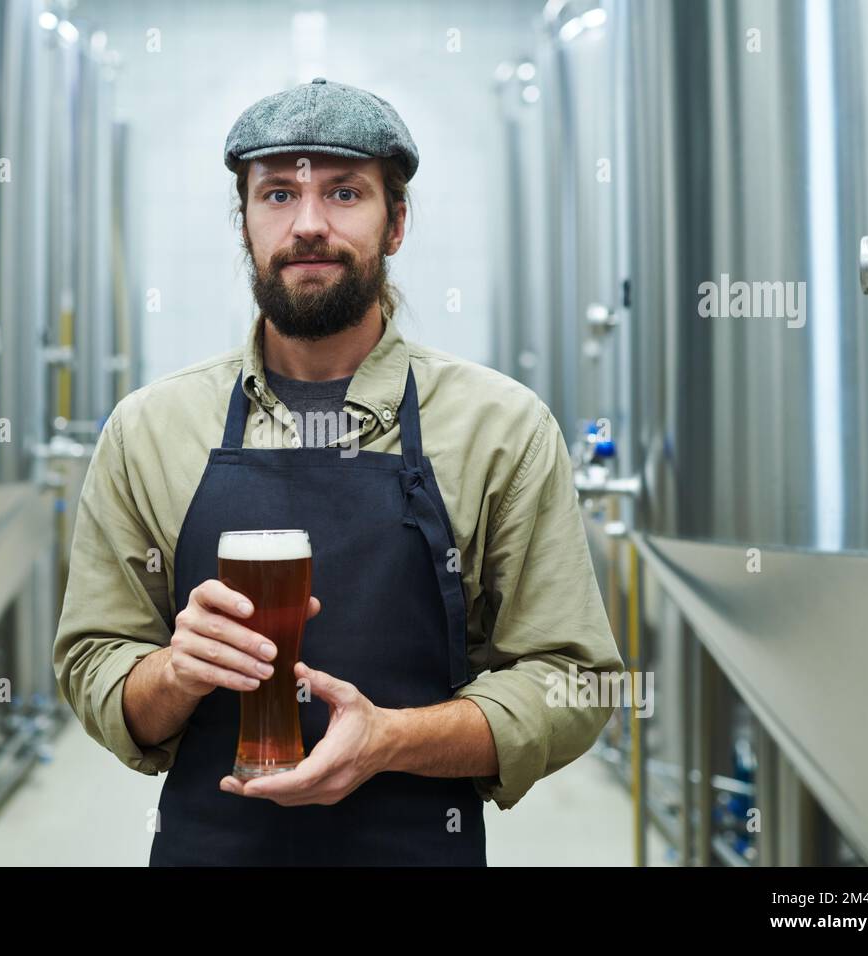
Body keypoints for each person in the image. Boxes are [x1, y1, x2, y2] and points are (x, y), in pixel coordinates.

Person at [54, 78, 624, 866]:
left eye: (345, 193)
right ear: (245, 223)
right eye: (278, 194)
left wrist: (392, 740)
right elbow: (94, 663)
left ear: (396, 224)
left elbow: (573, 681)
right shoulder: (149, 430)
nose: (310, 225)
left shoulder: (501, 426)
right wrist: (171, 674)